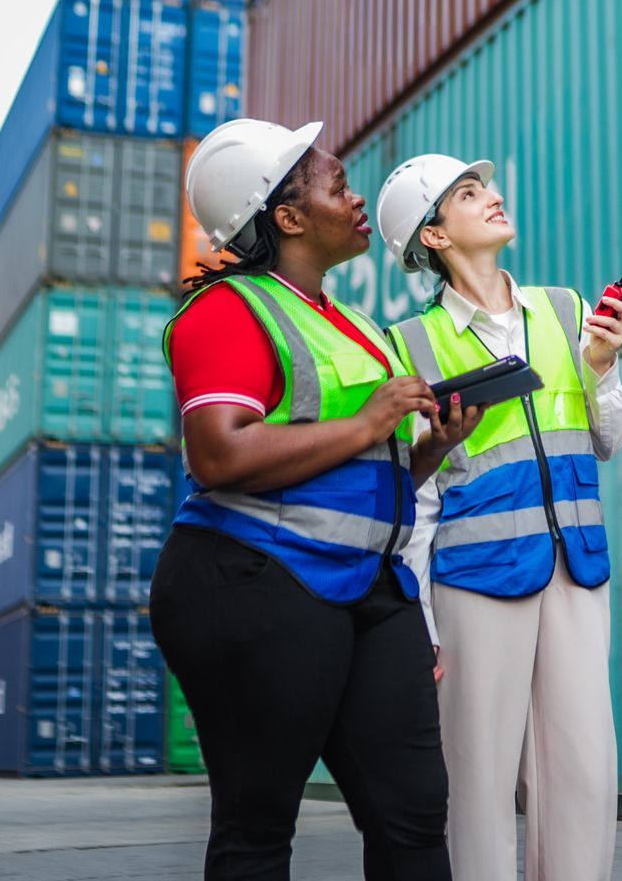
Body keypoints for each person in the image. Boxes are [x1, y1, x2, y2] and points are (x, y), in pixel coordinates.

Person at [149, 119, 482, 881]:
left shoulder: (356, 326)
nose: (357, 197)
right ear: (288, 217)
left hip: (369, 586)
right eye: (337, 186)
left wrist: (426, 444)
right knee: (259, 825)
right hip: (252, 581)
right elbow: (219, 452)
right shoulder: (229, 310)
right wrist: (367, 420)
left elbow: (365, 466)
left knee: (415, 813)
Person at [374, 154, 622, 881]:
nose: (491, 197)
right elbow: (415, 499)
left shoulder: (565, 311)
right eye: (468, 192)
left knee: (584, 770)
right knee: (478, 778)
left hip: (576, 570)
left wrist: (604, 367)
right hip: (474, 580)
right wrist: (421, 622)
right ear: (432, 237)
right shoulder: (409, 347)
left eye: (485, 186)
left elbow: (606, 441)